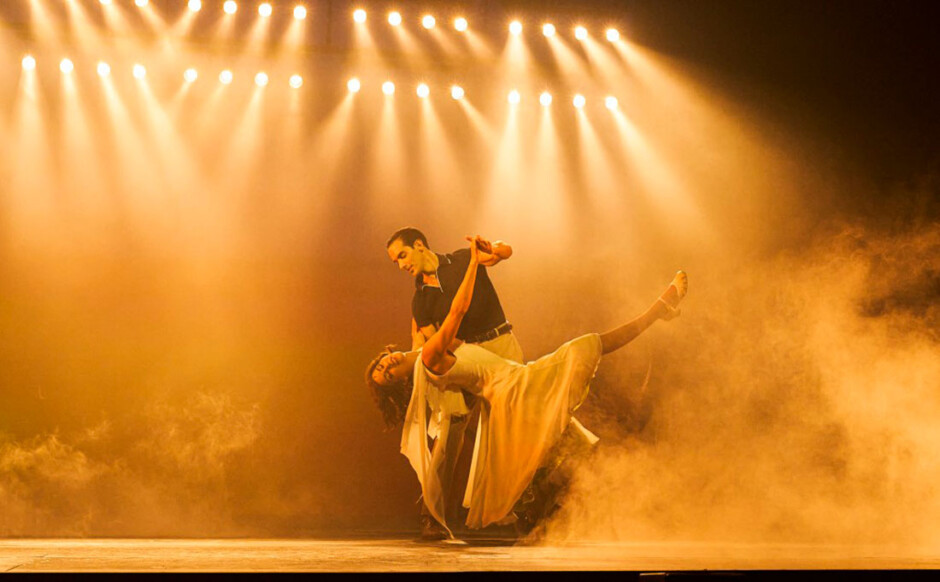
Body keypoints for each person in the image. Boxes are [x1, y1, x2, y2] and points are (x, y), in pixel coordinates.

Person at [367, 236, 688, 536]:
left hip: (502, 361)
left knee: (534, 434)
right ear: (402, 381)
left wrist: (488, 254)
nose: (388, 366)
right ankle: (658, 309)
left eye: (383, 363)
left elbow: (425, 336)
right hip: (505, 383)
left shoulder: (444, 291)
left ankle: (534, 501)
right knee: (587, 348)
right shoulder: (429, 344)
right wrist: (474, 267)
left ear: (419, 245)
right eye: (389, 374)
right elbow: (455, 315)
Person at [383, 228, 598, 536]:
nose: (402, 264)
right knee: (450, 431)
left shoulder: (460, 260)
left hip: (502, 343)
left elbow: (504, 251)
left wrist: (492, 248)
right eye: (395, 262)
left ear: (419, 245)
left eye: (402, 255)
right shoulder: (421, 301)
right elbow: (430, 346)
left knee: (521, 419)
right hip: (467, 358)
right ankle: (432, 515)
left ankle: (531, 502)